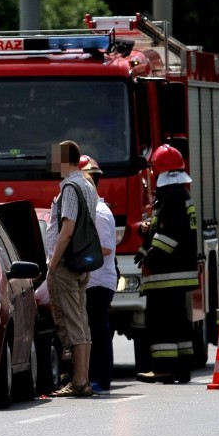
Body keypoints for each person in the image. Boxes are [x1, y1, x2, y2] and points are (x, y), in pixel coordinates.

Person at [135, 144, 199, 384]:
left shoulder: (170, 197)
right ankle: (182, 369)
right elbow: (165, 230)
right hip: (180, 271)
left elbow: (167, 237)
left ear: (157, 170)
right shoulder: (181, 195)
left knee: (160, 321)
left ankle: (162, 367)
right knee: (179, 322)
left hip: (166, 273)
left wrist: (149, 258)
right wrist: (145, 240)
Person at [45, 140, 98, 397]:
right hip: (82, 262)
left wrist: (52, 266)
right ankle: (83, 379)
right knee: (82, 322)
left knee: (74, 323)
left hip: (66, 264)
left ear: (64, 160)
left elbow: (67, 229)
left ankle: (79, 382)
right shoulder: (88, 185)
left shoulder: (70, 186)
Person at [80, 155, 117, 395]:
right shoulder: (91, 210)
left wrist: (75, 258)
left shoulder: (99, 212)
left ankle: (101, 379)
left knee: (98, 331)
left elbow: (103, 248)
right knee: (92, 330)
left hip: (98, 281)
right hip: (92, 281)